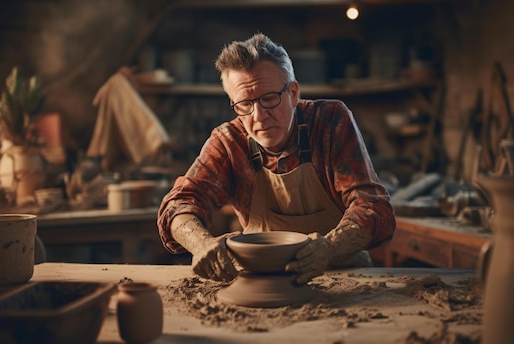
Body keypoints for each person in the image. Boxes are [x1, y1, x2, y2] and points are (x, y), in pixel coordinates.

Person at [157, 33, 395, 284]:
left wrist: (331, 248)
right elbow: (178, 205)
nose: (258, 116)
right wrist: (201, 244)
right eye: (245, 104)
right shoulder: (229, 141)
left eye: (269, 99)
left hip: (340, 272)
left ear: (293, 93)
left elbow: (373, 207)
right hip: (262, 279)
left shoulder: (330, 120)